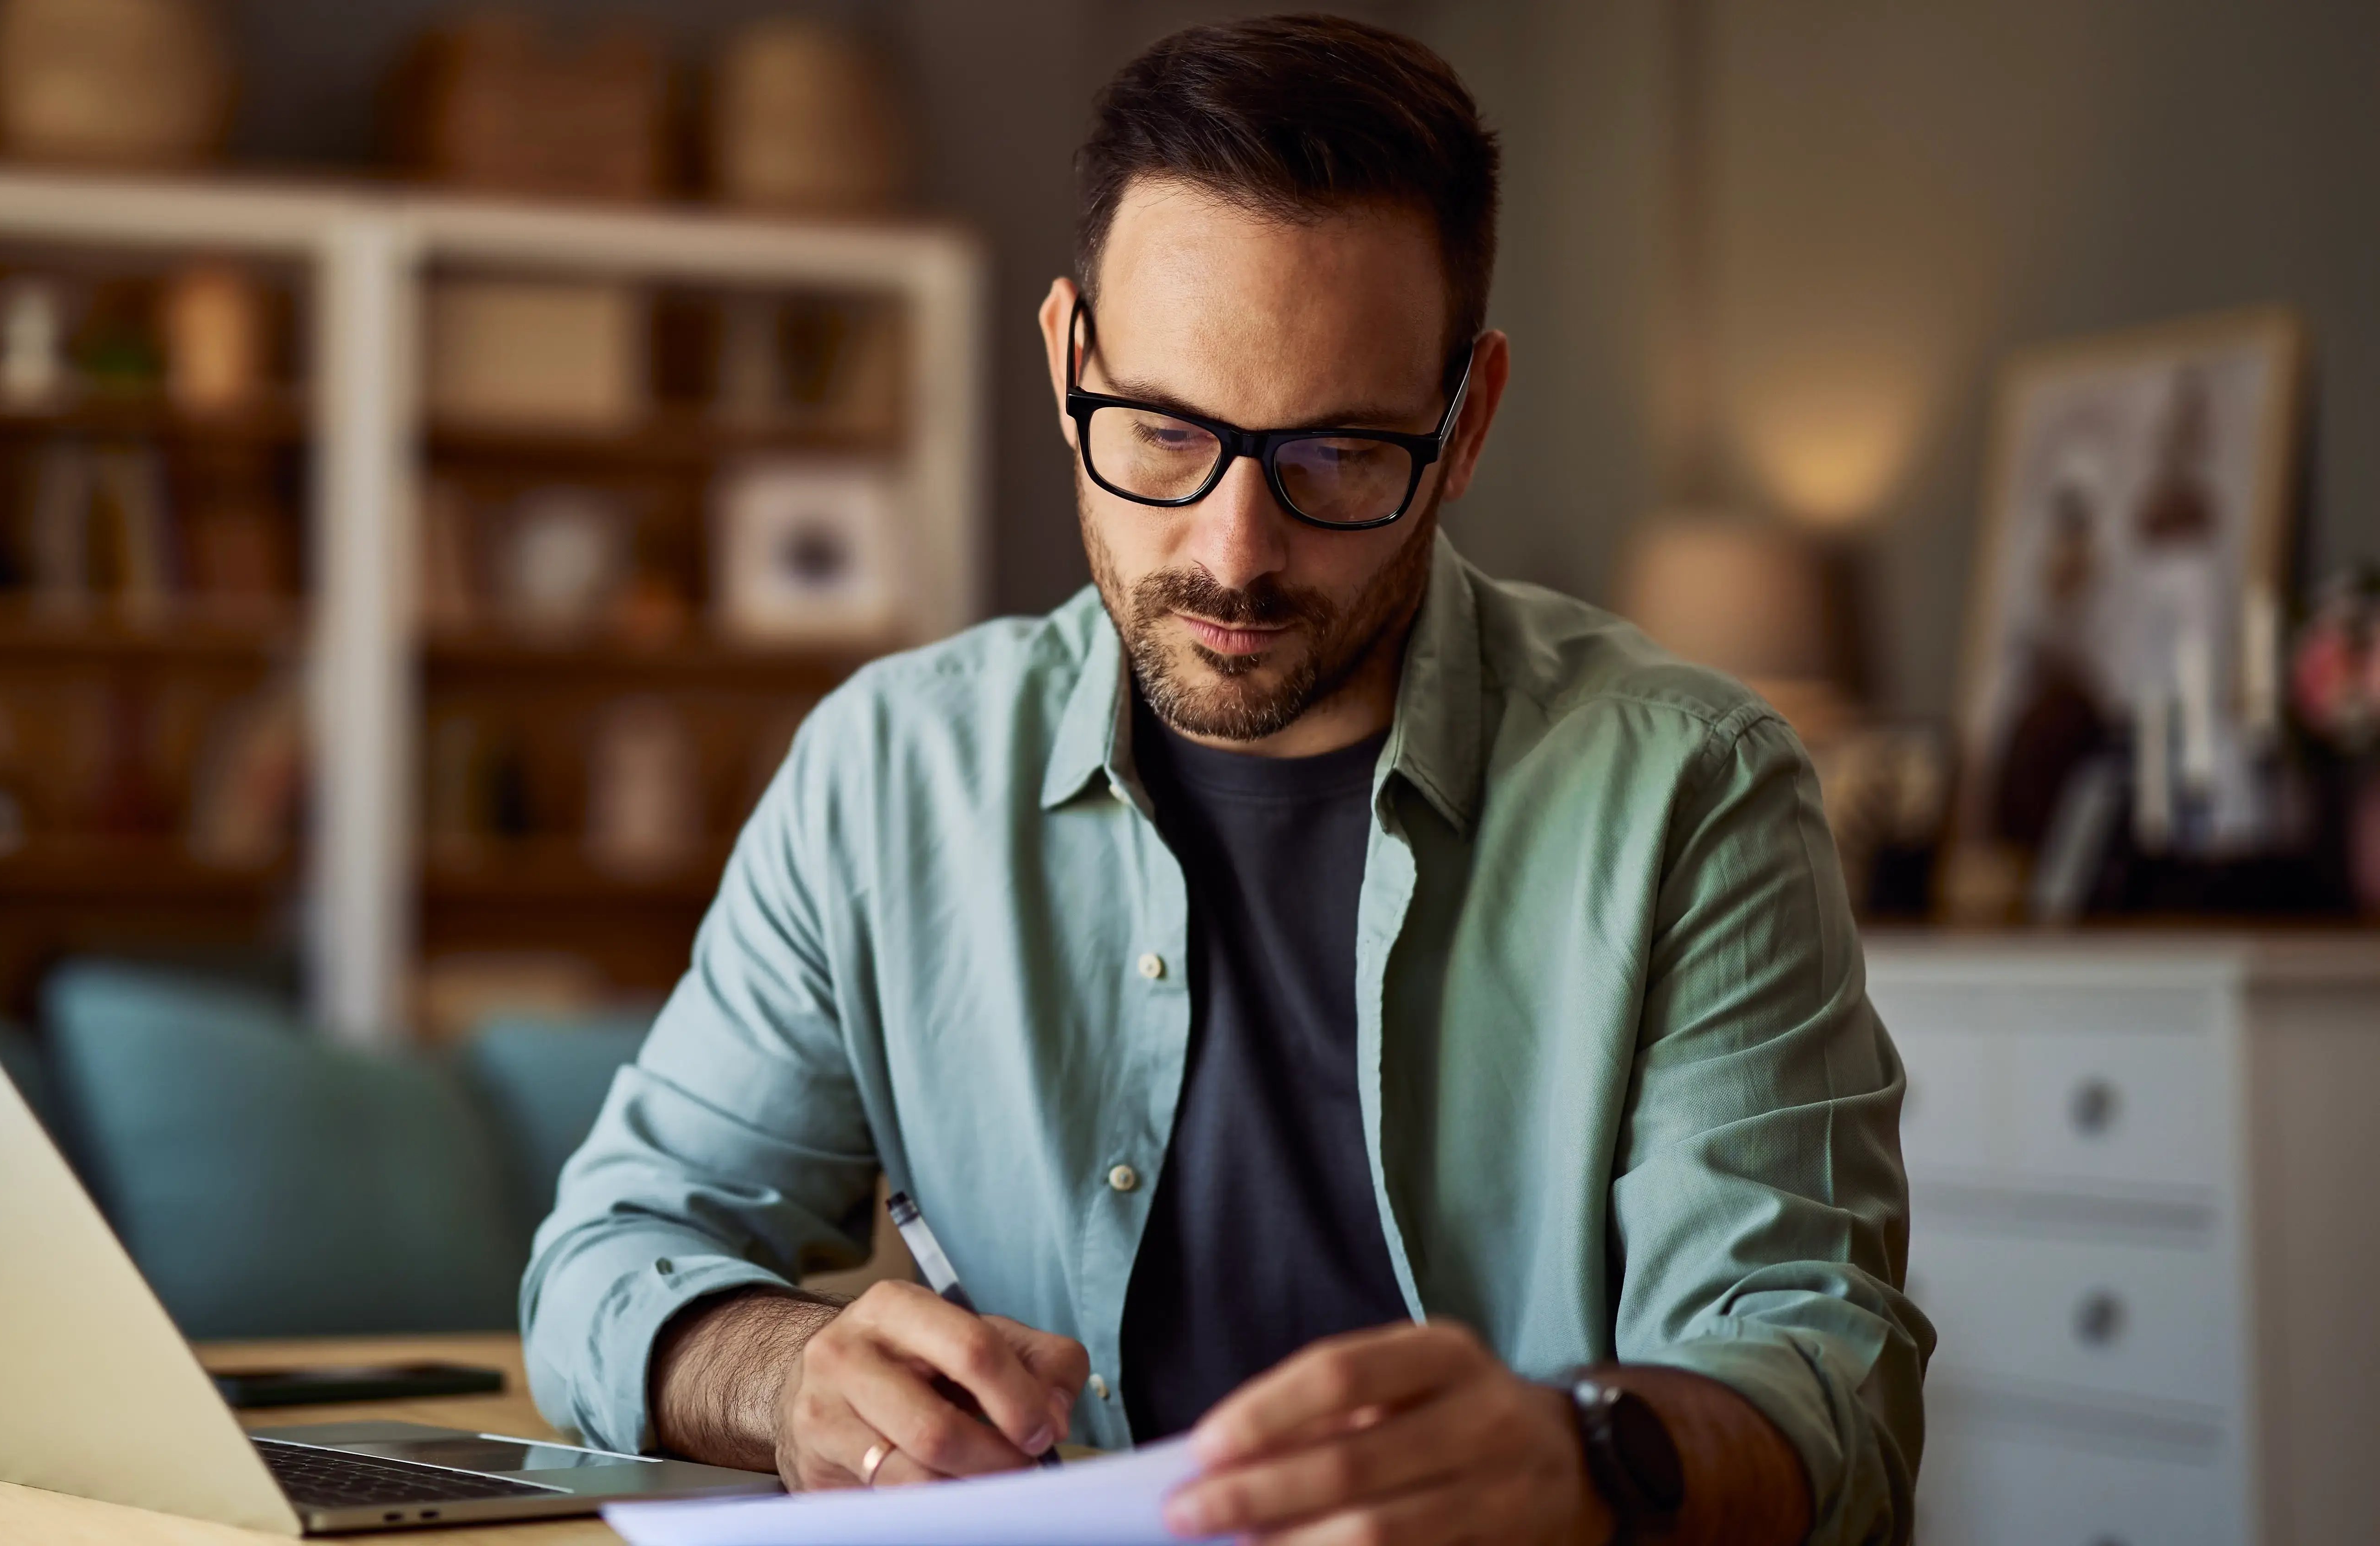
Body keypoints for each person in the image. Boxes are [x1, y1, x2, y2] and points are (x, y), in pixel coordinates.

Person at [522, 15, 1925, 1546]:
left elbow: (1821, 1385)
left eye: (1335, 455)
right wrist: (788, 1376)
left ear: (1468, 426)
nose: (1233, 551)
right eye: (1165, 433)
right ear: (1069, 360)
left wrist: (1579, 1458)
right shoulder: (887, 774)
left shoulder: (1693, 795)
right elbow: (610, 1256)